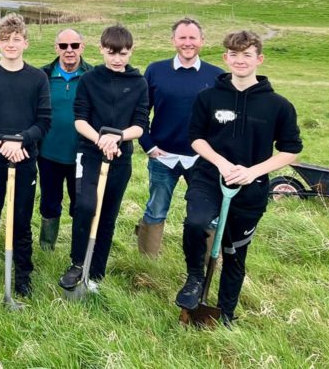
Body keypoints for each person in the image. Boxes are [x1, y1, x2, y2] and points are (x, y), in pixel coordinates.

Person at [175, 31, 302, 326]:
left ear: (259, 59)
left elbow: (291, 150)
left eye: (247, 54)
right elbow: (195, 138)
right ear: (225, 58)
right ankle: (194, 278)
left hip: (251, 188)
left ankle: (226, 313)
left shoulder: (278, 105)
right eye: (234, 54)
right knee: (195, 223)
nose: (240, 60)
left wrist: (253, 172)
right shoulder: (208, 97)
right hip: (209, 178)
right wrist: (220, 163)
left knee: (234, 252)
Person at [58, 25, 149, 291]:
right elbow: (80, 120)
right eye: (111, 53)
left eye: (123, 53)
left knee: (107, 215)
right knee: (85, 206)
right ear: (101, 50)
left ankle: (96, 271)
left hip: (120, 159)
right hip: (89, 154)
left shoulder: (138, 83)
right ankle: (77, 264)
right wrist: (101, 139)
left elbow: (141, 125)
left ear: (131, 51)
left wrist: (117, 137)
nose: (117, 59)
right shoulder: (89, 79)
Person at [0, 13, 51, 295]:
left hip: (25, 160)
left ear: (26, 43)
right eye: (5, 40)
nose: (11, 44)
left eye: (16, 39)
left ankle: (23, 278)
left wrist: (21, 142)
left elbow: (43, 121)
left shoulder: (37, 78)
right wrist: (1, 143)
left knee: (21, 221)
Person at [136, 18, 222, 256]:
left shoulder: (216, 76)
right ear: (173, 40)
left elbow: (223, 121)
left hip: (201, 160)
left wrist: (214, 155)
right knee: (156, 209)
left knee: (207, 213)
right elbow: (141, 112)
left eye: (193, 38)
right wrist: (149, 146)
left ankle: (209, 261)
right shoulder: (155, 70)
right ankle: (146, 259)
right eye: (182, 37)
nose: (187, 43)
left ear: (202, 41)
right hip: (162, 157)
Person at [37, 28, 91, 250]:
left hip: (82, 155)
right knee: (50, 202)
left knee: (80, 204)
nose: (69, 51)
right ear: (56, 48)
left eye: (75, 45)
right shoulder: (43, 76)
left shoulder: (92, 77)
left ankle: (78, 251)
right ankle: (46, 246)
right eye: (64, 46)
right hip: (49, 153)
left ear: (82, 47)